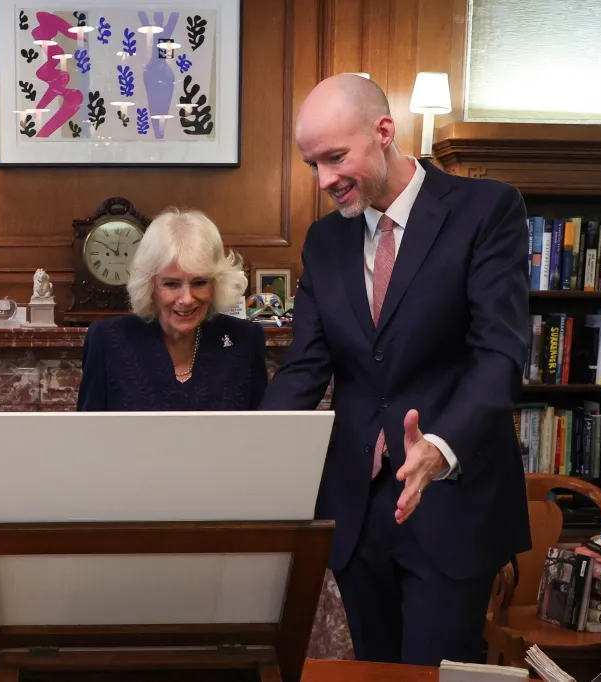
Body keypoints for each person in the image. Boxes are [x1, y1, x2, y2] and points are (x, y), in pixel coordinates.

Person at [259, 74, 531, 666]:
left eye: (335, 158)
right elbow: (304, 368)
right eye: (312, 164)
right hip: (358, 513)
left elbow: (501, 354)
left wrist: (441, 444)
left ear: (384, 131)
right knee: (375, 672)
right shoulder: (324, 241)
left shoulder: (486, 210)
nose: (324, 180)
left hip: (452, 501)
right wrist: (248, 450)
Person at [77, 207, 268, 411]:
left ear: (216, 283)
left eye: (200, 283)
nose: (186, 299)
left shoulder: (244, 339)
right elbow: (87, 428)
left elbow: (264, 426)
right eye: (171, 284)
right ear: (150, 285)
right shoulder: (107, 341)